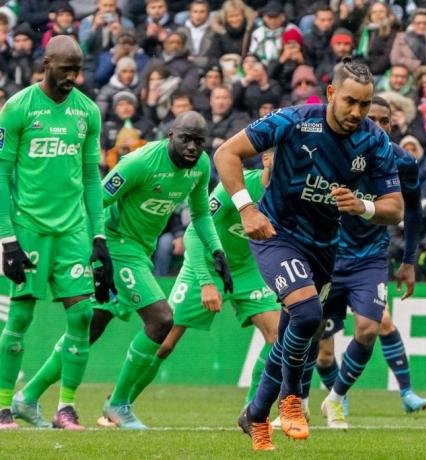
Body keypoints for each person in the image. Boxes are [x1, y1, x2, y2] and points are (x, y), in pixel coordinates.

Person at [214, 58, 403, 450]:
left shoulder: (374, 140)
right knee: (307, 313)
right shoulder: (294, 121)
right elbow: (226, 153)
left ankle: (254, 414)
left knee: (293, 332)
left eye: (364, 105)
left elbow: (395, 208)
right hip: (276, 234)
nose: (357, 112)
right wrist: (247, 208)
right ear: (331, 93)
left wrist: (363, 206)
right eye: (350, 101)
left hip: (324, 247)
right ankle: (292, 399)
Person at [14, 111, 230, 430]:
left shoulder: (200, 167)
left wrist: (217, 250)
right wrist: (93, 248)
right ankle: (118, 403)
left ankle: (27, 397)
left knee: (91, 328)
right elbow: (94, 202)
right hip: (117, 246)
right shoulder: (139, 163)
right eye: (186, 139)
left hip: (141, 250)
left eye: (199, 142)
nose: (193, 147)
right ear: (170, 135)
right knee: (161, 319)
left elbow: (200, 216)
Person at [101, 153, 280, 426]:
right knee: (164, 343)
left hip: (247, 270)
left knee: (278, 336)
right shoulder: (237, 186)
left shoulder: (289, 196)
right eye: (282, 156)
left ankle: (253, 412)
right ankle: (120, 403)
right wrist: (206, 282)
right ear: (266, 158)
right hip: (206, 264)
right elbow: (194, 232)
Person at [0, 36, 115, 430]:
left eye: (77, 70)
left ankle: (65, 407)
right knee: (20, 317)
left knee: (82, 314)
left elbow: (91, 178)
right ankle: (3, 407)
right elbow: (1, 173)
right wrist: (6, 238)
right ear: (46, 63)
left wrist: (98, 237)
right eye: (66, 69)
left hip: (72, 230)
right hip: (28, 228)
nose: (72, 77)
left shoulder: (87, 112)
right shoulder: (18, 108)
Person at [316, 97, 426, 430]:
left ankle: (338, 397)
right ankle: (298, 401)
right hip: (328, 255)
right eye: (372, 119)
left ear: (392, 125)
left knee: (371, 328)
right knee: (320, 348)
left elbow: (414, 210)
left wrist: (409, 261)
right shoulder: (334, 152)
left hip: (370, 256)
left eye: (385, 121)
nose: (378, 126)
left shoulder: (402, 161)